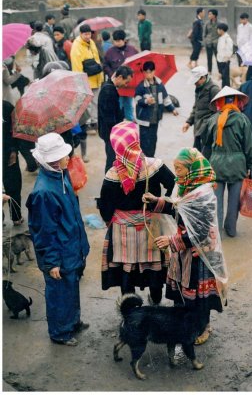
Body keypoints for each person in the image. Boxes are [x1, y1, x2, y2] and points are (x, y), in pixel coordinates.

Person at [143, 147, 228, 345]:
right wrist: (156, 201)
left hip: (201, 255)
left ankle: (203, 327)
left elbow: (201, 232)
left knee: (200, 297)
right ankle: (184, 326)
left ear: (192, 170)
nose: (177, 173)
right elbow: (176, 208)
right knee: (184, 294)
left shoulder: (204, 195)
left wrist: (172, 241)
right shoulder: (184, 188)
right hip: (184, 252)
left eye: (179, 169)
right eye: (175, 168)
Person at [98, 121, 176, 304]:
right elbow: (174, 184)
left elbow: (105, 206)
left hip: (122, 229)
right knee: (154, 265)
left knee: (127, 268)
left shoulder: (112, 175)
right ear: (136, 141)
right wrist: (164, 205)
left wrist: (109, 220)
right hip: (152, 225)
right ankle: (155, 301)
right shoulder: (154, 166)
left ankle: (130, 307)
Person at [26, 133, 90, 346]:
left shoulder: (60, 176)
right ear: (53, 160)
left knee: (71, 286)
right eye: (63, 156)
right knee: (59, 292)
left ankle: (72, 321)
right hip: (60, 252)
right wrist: (51, 261)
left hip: (70, 246)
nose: (67, 158)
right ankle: (60, 332)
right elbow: (43, 232)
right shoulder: (43, 192)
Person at [202, 86, 252, 237]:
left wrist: (205, 166)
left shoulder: (213, 120)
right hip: (238, 166)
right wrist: (249, 165)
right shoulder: (243, 120)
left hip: (216, 165)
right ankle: (231, 231)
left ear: (220, 102)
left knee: (216, 201)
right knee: (234, 201)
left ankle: (216, 233)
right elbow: (249, 147)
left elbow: (206, 145)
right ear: (237, 101)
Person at [135, 60, 179, 157]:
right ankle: (144, 158)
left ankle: (151, 156)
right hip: (144, 119)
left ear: (154, 71)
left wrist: (172, 109)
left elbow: (166, 99)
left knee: (153, 139)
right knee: (144, 139)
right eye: (146, 72)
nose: (148, 74)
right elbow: (137, 99)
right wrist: (146, 101)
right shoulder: (141, 86)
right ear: (143, 72)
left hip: (155, 119)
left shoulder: (160, 85)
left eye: (150, 72)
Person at [98, 65, 133, 173]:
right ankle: (109, 182)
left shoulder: (110, 87)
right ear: (120, 77)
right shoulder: (109, 91)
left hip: (110, 131)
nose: (126, 85)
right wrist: (118, 130)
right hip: (110, 133)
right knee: (111, 160)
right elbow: (109, 117)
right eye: (126, 82)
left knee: (113, 158)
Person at [71, 24, 104, 135]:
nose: (87, 36)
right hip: (86, 79)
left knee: (95, 102)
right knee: (87, 103)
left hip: (96, 78)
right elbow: (77, 66)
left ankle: (95, 122)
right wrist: (80, 82)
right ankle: (88, 123)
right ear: (80, 34)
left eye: (89, 34)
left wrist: (101, 76)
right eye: (85, 34)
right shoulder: (76, 46)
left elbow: (97, 59)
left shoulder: (92, 43)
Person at [182, 66, 220, 152]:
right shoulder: (199, 88)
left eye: (196, 81)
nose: (195, 83)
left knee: (204, 157)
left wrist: (209, 126)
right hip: (198, 129)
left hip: (207, 131)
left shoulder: (214, 90)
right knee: (196, 156)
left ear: (203, 78)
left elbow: (219, 111)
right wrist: (189, 122)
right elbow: (196, 107)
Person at [103, 29, 138, 121]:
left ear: (124, 40)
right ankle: (118, 121)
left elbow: (138, 62)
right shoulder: (110, 52)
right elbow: (105, 65)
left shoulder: (132, 50)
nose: (117, 43)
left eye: (119, 41)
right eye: (115, 41)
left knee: (129, 103)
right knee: (118, 103)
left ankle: (130, 120)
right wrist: (112, 75)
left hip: (129, 82)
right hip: (117, 84)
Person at [2, 100, 23, 226]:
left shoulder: (6, 107)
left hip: (8, 154)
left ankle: (16, 216)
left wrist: (14, 150)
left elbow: (16, 129)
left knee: (13, 185)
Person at [216, 23, 234, 87]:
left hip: (225, 60)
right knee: (222, 76)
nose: (217, 31)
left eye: (218, 29)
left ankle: (226, 90)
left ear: (221, 30)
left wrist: (227, 58)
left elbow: (230, 50)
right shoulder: (220, 38)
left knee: (225, 77)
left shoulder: (227, 39)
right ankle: (224, 89)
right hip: (220, 60)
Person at [204, 9, 219, 74]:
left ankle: (220, 71)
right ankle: (209, 71)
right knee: (209, 58)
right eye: (208, 14)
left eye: (210, 14)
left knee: (218, 58)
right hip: (209, 43)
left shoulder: (219, 23)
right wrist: (205, 42)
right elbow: (204, 34)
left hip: (216, 44)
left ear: (214, 15)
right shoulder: (207, 23)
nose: (209, 15)